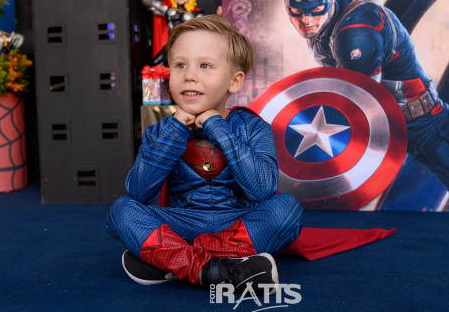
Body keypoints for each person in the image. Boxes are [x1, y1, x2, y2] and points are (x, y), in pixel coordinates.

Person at [106, 15, 304, 293]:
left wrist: (218, 128)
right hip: (182, 221)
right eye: (180, 65)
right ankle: (216, 269)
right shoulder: (159, 131)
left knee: (287, 209)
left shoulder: (254, 127)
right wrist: (175, 131)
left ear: (234, 82)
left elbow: (263, 190)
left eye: (205, 66)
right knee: (122, 211)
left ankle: (172, 260)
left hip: (235, 222)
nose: (189, 75)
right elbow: (139, 192)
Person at [285, 0, 449, 197]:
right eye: (297, 12)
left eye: (316, 10)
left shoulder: (357, 35)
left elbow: (360, 106)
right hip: (403, 121)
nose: (306, 20)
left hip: (420, 124)